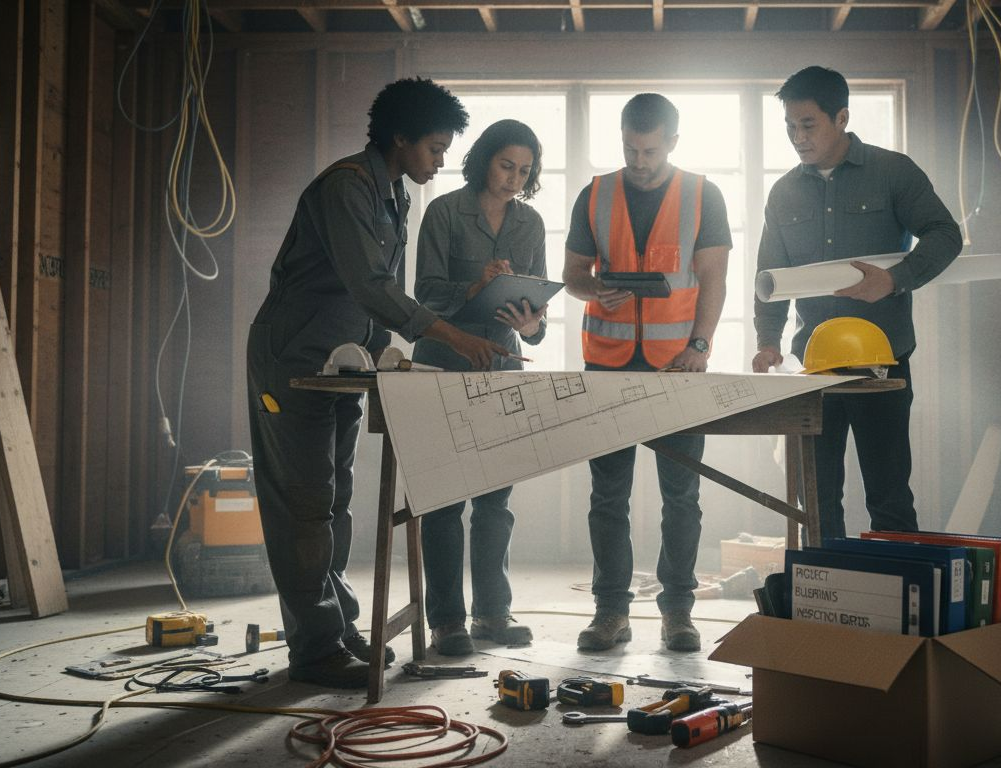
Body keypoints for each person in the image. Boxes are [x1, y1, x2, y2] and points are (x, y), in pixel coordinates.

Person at [247, 78, 513, 689]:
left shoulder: (394, 193)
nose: (442, 161)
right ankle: (314, 651)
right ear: (401, 138)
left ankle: (336, 629)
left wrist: (382, 354)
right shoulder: (346, 186)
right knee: (304, 506)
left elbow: (371, 299)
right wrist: (452, 337)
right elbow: (371, 285)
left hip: (341, 363)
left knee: (334, 499)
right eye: (437, 149)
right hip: (292, 361)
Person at [753, 65, 962, 540]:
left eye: (808, 125)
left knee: (888, 494)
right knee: (818, 497)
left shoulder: (893, 172)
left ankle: (895, 607)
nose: (798, 137)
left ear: (841, 117)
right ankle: (826, 607)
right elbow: (769, 277)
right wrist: (767, 341)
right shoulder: (783, 192)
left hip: (883, 362)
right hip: (815, 365)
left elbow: (946, 235)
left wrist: (894, 280)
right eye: (790, 127)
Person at [562, 93, 731, 652]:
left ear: (674, 143)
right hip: (605, 363)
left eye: (650, 151)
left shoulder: (704, 195)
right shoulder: (596, 193)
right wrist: (595, 289)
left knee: (681, 497)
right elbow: (572, 275)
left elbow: (713, 279)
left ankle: (678, 613)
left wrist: (701, 345)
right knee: (607, 497)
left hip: (678, 367)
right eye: (631, 149)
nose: (639, 161)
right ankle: (611, 614)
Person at [411, 119, 549, 655]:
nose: (515, 179)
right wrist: (476, 286)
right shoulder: (445, 211)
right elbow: (424, 295)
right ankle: (447, 621)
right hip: (443, 362)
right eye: (506, 165)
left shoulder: (530, 223)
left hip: (504, 364)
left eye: (525, 171)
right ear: (484, 160)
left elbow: (535, 311)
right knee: (445, 498)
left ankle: (493, 614)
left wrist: (530, 322)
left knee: (496, 499)